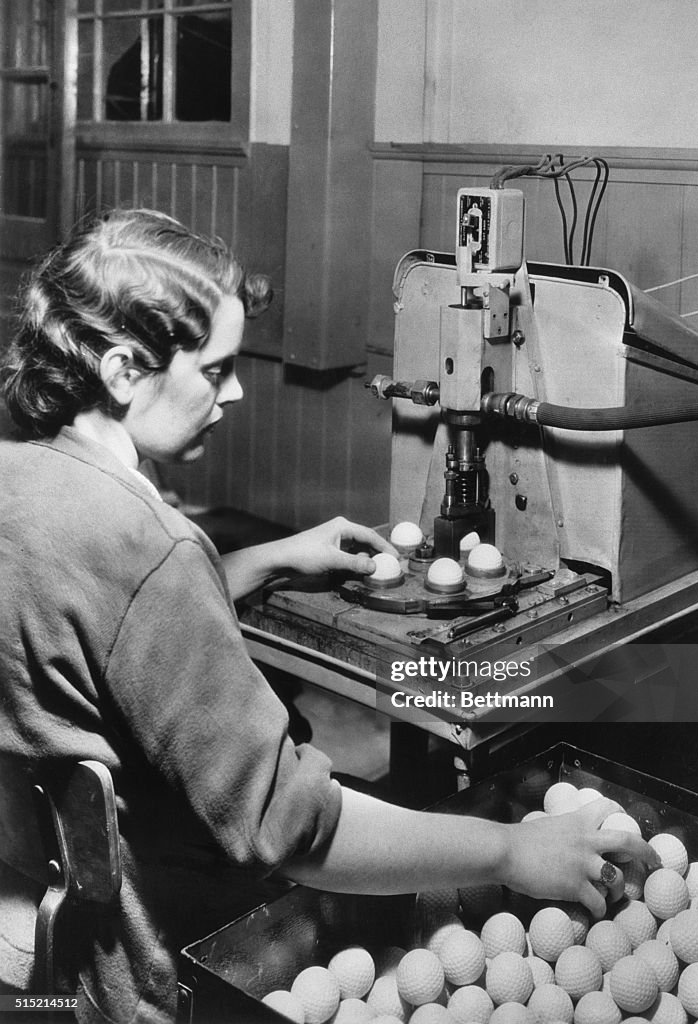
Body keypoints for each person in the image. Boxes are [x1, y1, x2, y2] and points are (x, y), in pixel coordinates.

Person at [0, 210, 658, 1024]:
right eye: (215, 369)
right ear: (126, 369)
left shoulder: (19, 480)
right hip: (132, 965)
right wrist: (516, 851)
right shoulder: (154, 550)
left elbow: (109, 611)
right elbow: (297, 832)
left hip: (29, 924)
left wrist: (268, 558)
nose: (236, 390)